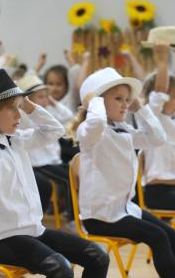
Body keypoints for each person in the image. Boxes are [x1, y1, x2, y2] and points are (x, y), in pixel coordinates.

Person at [0, 69, 110, 278]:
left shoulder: (15, 140)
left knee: (97, 256)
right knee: (60, 269)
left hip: (34, 231)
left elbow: (55, 130)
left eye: (19, 108)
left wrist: (28, 105)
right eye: (12, 108)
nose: (18, 114)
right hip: (2, 240)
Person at [73, 67, 175, 278]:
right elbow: (97, 122)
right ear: (98, 103)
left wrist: (141, 109)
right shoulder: (90, 133)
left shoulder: (123, 130)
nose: (125, 104)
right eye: (118, 98)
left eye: (127, 99)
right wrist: (94, 102)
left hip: (124, 210)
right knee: (157, 236)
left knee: (170, 234)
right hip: (101, 216)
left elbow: (157, 138)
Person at [17, 74, 75, 230]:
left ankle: (74, 216)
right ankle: (71, 219)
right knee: (68, 180)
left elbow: (68, 116)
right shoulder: (25, 116)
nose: (45, 100)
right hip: (39, 163)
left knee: (77, 174)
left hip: (52, 161)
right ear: (28, 100)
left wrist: (51, 101)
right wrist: (32, 106)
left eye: (46, 96)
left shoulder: (45, 111)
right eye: (41, 97)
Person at [141, 42, 175, 210]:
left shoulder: (169, 122)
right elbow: (161, 90)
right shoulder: (153, 118)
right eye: (173, 97)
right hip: (158, 192)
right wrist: (163, 60)